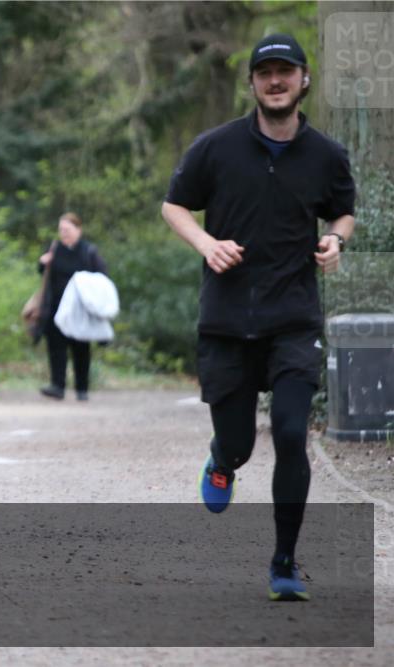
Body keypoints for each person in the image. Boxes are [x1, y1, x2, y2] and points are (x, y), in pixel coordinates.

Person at [161, 34, 355, 601]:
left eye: (286, 72)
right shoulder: (215, 148)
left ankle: (285, 562)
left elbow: (343, 211)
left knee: (293, 434)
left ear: (303, 80)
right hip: (227, 317)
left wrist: (335, 240)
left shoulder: (326, 155)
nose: (276, 81)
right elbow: (174, 205)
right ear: (251, 83)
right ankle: (223, 459)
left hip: (293, 316)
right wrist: (205, 243)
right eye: (265, 72)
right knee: (241, 441)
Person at [35, 212, 107, 401]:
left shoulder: (88, 251)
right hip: (56, 307)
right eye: (61, 230)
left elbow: (102, 277)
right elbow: (42, 272)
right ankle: (57, 386)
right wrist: (42, 263)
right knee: (56, 347)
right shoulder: (54, 249)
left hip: (80, 310)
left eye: (67, 229)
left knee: (81, 348)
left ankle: (82, 389)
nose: (64, 233)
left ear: (78, 229)